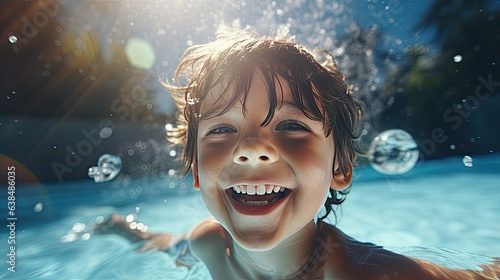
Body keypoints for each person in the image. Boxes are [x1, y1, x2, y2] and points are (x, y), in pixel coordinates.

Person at [94, 27, 500, 279]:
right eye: (221, 129)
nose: (251, 149)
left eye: (291, 126)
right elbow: (169, 245)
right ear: (197, 172)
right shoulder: (208, 243)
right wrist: (128, 233)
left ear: (340, 168)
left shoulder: (363, 275)